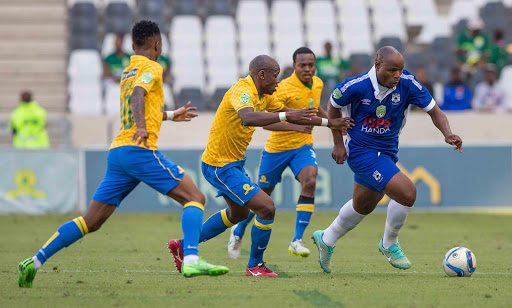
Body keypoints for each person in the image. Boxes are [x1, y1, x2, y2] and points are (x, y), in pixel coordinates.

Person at [17, 20, 229, 288]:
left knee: (91, 221)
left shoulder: (128, 70)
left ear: (132, 46)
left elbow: (138, 102)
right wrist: (142, 127)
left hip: (118, 152)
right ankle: (191, 259)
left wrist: (170, 115)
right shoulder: (153, 67)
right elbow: (138, 97)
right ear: (157, 44)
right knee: (195, 197)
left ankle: (34, 261)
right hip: (138, 149)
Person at [168, 55, 354, 277]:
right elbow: (248, 117)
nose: (278, 81)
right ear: (262, 75)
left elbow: (294, 116)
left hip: (232, 164)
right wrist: (287, 114)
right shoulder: (243, 90)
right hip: (220, 165)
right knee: (266, 208)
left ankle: (182, 245)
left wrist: (330, 123)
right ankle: (255, 265)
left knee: (238, 214)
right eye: (275, 76)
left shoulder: (264, 95)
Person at [312, 46, 463, 274]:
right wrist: (337, 143)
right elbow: (332, 106)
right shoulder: (356, 85)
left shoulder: (408, 84)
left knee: (363, 205)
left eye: (401, 70)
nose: (397, 75)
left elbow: (435, 111)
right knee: (407, 192)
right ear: (377, 66)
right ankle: (389, 243)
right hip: (361, 152)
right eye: (392, 70)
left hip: (388, 152)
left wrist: (447, 133)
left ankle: (327, 238)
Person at [227, 47, 328, 260]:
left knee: (310, 181)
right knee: (261, 198)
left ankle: (297, 240)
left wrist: (331, 123)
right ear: (294, 66)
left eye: (311, 65)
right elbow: (267, 124)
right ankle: (238, 230)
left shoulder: (318, 84)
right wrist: (295, 127)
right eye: (303, 65)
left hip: (302, 146)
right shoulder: (281, 88)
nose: (308, 69)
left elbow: (315, 109)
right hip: (277, 150)